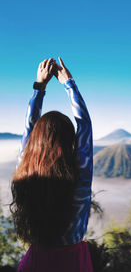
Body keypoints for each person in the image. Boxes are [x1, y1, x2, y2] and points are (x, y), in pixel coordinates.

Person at [11, 57, 94, 272]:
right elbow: (85, 126)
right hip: (75, 263)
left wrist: (39, 87)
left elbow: (29, 128)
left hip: (35, 263)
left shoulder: (26, 173)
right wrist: (69, 83)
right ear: (70, 143)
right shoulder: (80, 179)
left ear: (34, 144)